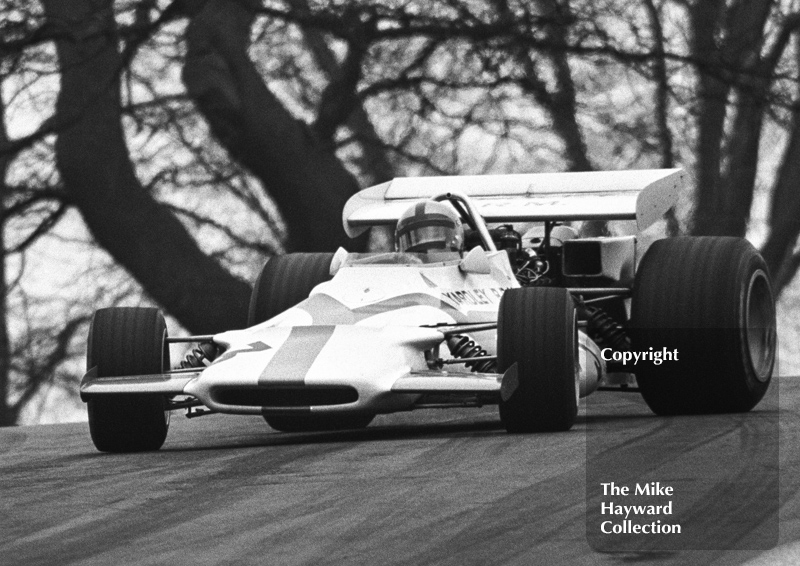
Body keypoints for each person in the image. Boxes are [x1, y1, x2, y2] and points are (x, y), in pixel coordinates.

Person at [395, 201, 465, 254]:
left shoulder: (469, 265)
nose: (423, 246)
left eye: (435, 234)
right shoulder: (397, 271)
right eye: (414, 239)